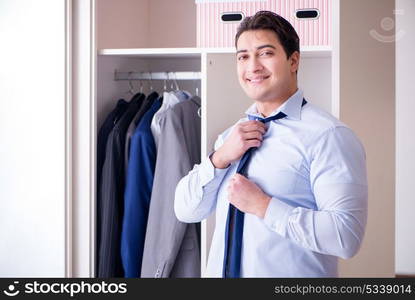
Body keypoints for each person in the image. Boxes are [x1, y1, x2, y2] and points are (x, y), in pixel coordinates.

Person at [174, 11, 368, 278]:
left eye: (265, 53)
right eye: (243, 56)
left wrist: (263, 206)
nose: (252, 66)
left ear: (293, 60)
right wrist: (219, 158)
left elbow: (345, 237)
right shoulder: (230, 138)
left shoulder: (328, 136)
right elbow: (185, 210)